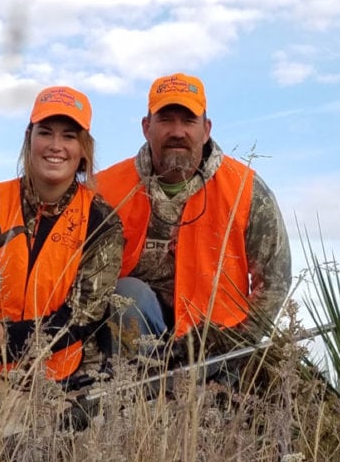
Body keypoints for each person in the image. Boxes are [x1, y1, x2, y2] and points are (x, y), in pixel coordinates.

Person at [96, 72, 292, 372]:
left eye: (188, 121)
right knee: (127, 294)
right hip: (136, 340)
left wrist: (229, 345)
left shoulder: (246, 189)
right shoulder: (106, 190)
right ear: (147, 127)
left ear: (206, 129)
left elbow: (275, 283)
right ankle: (132, 398)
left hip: (215, 345)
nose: (177, 131)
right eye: (166, 120)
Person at [0, 85, 123, 387]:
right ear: (28, 139)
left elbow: (81, 317)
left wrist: (7, 338)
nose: (55, 145)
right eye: (45, 132)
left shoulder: (102, 221)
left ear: (84, 149)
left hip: (70, 379)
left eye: (69, 136)